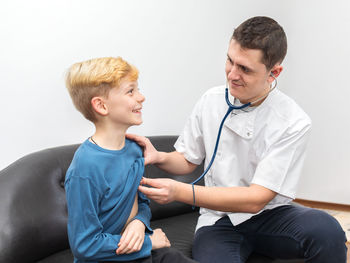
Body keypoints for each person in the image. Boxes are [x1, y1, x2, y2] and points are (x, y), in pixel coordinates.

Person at [127, 17, 348, 262]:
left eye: (245, 69)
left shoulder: (293, 121)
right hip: (218, 221)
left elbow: (256, 200)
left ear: (274, 72)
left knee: (326, 230)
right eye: (230, 61)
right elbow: (188, 160)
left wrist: (180, 192)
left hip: (271, 216)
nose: (232, 75)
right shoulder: (211, 100)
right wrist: (159, 157)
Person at [64, 57, 197, 263]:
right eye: (131, 91)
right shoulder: (85, 168)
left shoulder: (135, 150)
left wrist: (139, 223)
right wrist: (148, 243)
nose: (141, 97)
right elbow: (85, 245)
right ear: (101, 105)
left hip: (137, 251)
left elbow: (141, 201)